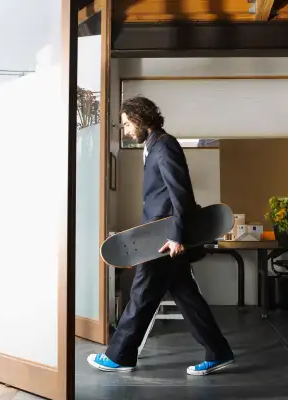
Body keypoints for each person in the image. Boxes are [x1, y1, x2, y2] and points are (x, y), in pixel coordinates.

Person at [87, 96, 234, 376]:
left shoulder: (165, 145)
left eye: (128, 123)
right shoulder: (153, 146)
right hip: (160, 235)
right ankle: (219, 351)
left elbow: (180, 193)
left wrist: (177, 236)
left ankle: (119, 356)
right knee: (186, 295)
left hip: (165, 239)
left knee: (142, 293)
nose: (127, 129)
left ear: (141, 120)